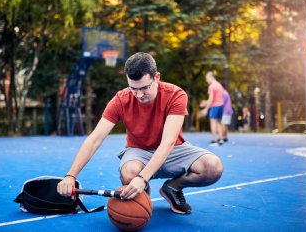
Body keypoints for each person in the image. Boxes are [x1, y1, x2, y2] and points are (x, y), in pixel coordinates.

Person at [57, 52, 223, 215]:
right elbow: (94, 139)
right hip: (139, 151)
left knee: (213, 167)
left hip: (173, 150)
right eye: (133, 88)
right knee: (129, 173)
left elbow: (168, 141)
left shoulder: (176, 95)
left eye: (144, 88)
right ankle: (143, 200)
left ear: (156, 77)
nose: (139, 94)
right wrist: (71, 175)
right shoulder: (120, 100)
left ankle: (172, 188)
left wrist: (142, 178)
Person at [200, 72, 225, 146]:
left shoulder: (211, 86)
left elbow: (211, 99)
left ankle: (214, 140)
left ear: (211, 77)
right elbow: (217, 98)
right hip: (221, 105)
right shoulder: (219, 85)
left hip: (215, 106)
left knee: (213, 122)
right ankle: (220, 139)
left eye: (207, 79)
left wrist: (206, 109)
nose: (207, 81)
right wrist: (206, 102)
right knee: (219, 123)